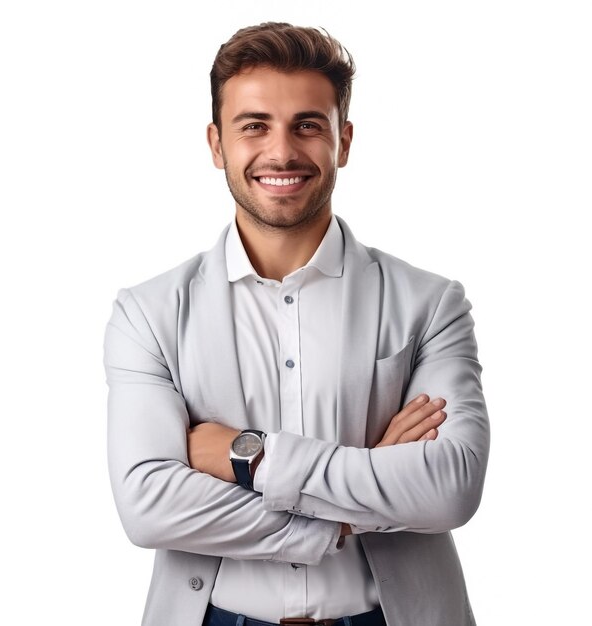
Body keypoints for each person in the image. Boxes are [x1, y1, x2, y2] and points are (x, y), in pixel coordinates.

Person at [104, 22, 490, 626]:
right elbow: (149, 506)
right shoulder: (148, 314)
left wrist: (244, 456)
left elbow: (451, 486)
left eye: (308, 125)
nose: (281, 151)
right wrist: (342, 511)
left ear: (344, 141)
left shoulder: (430, 303)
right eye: (253, 125)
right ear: (215, 144)